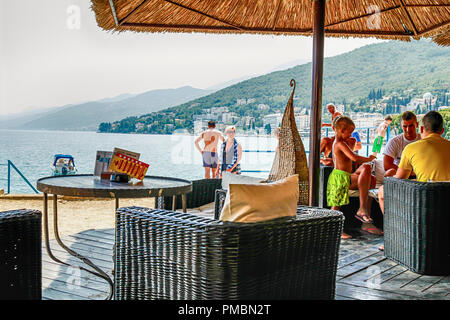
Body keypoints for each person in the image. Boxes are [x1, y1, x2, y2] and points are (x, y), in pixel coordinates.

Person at [378, 111, 450, 251]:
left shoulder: (411, 148)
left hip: (424, 205)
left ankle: (395, 236)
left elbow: (399, 181)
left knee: (382, 192)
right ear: (442, 130)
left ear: (421, 128)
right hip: (446, 204)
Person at [327, 116, 376, 239]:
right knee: (336, 205)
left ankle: (363, 210)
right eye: (349, 133)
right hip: (340, 177)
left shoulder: (344, 142)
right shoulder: (339, 144)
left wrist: (367, 162)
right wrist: (369, 158)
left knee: (367, 169)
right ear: (342, 130)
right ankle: (335, 230)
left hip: (347, 176)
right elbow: (354, 157)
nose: (350, 136)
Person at [382, 111, 420, 177]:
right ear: (401, 126)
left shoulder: (423, 140)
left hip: (419, 174)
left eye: (411, 126)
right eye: (405, 126)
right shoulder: (394, 142)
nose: (408, 129)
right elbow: (387, 165)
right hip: (400, 174)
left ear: (417, 124)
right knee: (389, 173)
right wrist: (407, 172)